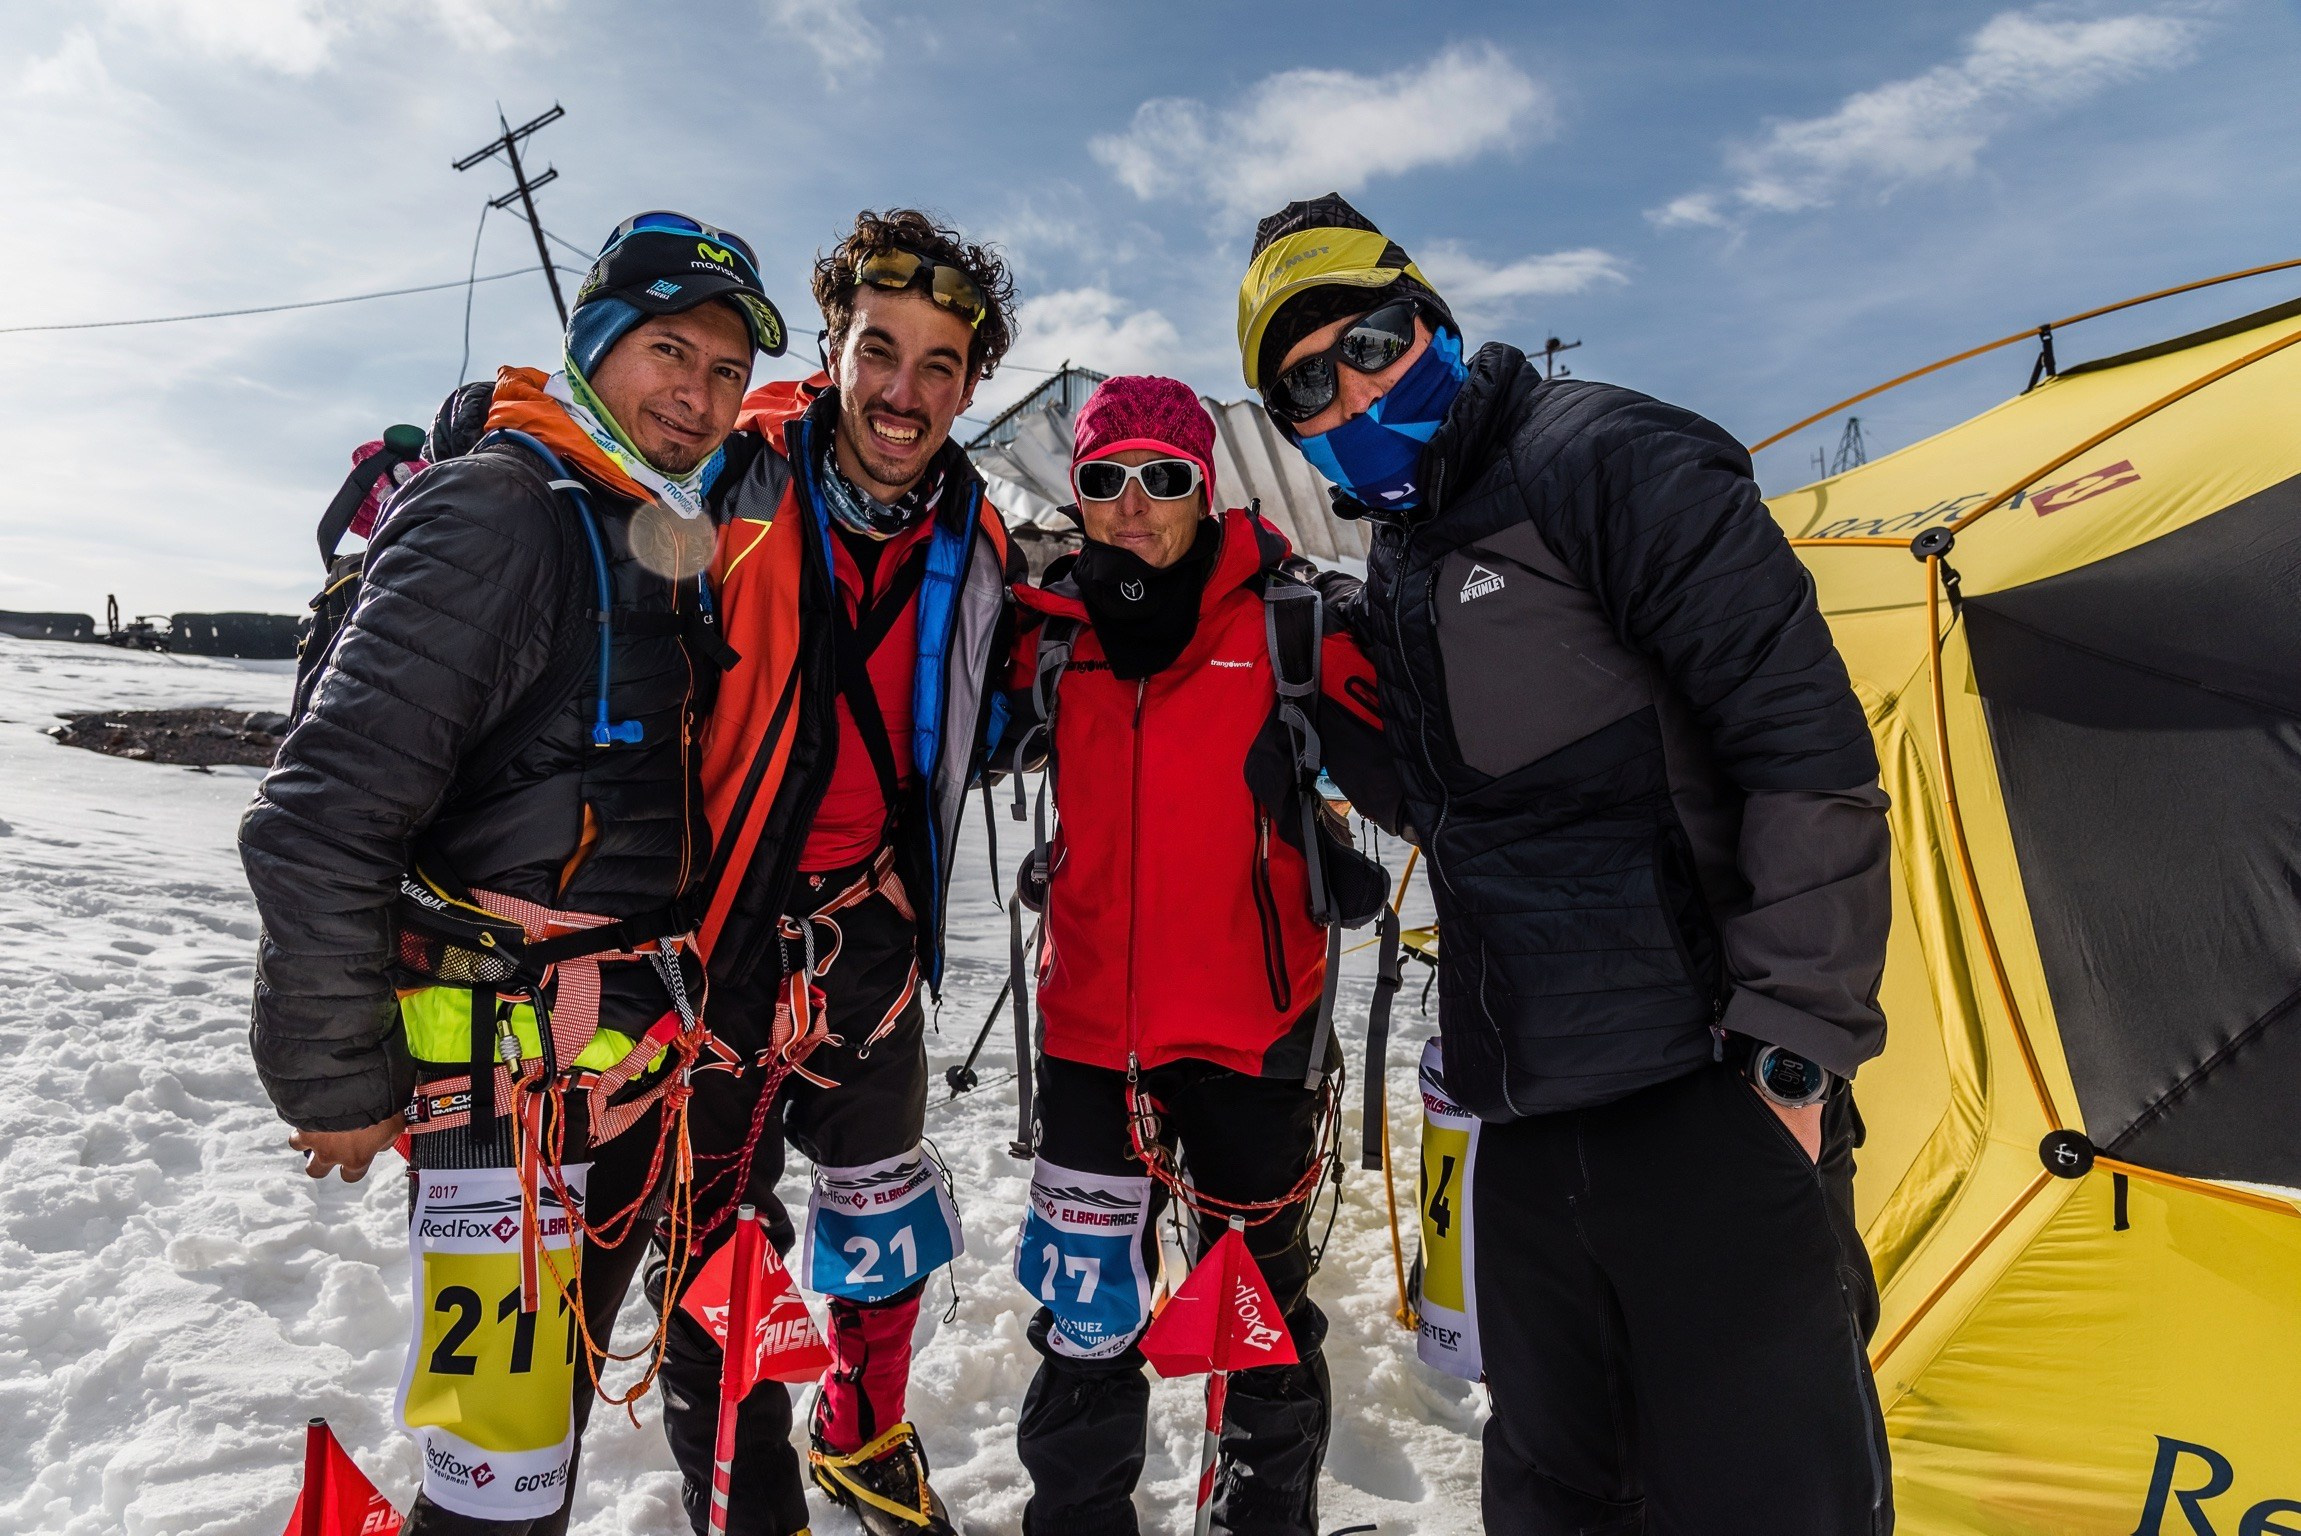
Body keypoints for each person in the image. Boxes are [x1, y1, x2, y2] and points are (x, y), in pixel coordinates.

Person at [1236, 193, 1896, 1535]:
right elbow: (1467, 815)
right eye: (1306, 377)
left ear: (1430, 320)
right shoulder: (1408, 550)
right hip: (1529, 1123)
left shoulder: (1604, 457)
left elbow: (1801, 749)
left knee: (1765, 1500)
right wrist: (1312, 720)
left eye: (1369, 339)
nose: (1349, 383)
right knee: (1553, 1496)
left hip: (1701, 1101)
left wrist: (1792, 1052)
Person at [241, 210, 788, 1534]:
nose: (700, 393)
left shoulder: (640, 521)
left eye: (726, 371)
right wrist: (333, 1077)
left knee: (536, 1432)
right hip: (494, 1070)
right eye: (671, 349)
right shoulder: (503, 507)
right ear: (596, 346)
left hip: (602, 1065)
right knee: (502, 1468)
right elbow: (318, 817)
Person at [657, 208, 1019, 1536]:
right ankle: (754, 1503)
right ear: (832, 347)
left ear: (973, 384)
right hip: (715, 947)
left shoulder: (977, 543)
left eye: (939, 364)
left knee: (881, 1230)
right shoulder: (724, 486)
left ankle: (862, 1438)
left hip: (870, 943)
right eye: (882, 351)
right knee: (718, 1258)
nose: (904, 392)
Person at [999, 376, 1395, 1536]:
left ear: (1202, 488)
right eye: (1104, 478)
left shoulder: (1288, 624)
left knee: (1257, 1322)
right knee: (1084, 1325)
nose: (1133, 504)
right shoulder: (1050, 636)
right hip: (1087, 1041)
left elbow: (1428, 772)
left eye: (1163, 477)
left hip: (1249, 1035)